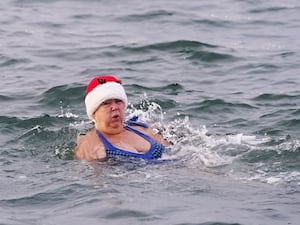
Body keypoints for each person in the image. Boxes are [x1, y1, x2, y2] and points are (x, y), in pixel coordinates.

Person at [74, 75, 169, 161]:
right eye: (106, 103)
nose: (115, 107)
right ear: (94, 112)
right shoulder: (90, 148)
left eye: (118, 101)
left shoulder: (142, 129)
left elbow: (175, 150)